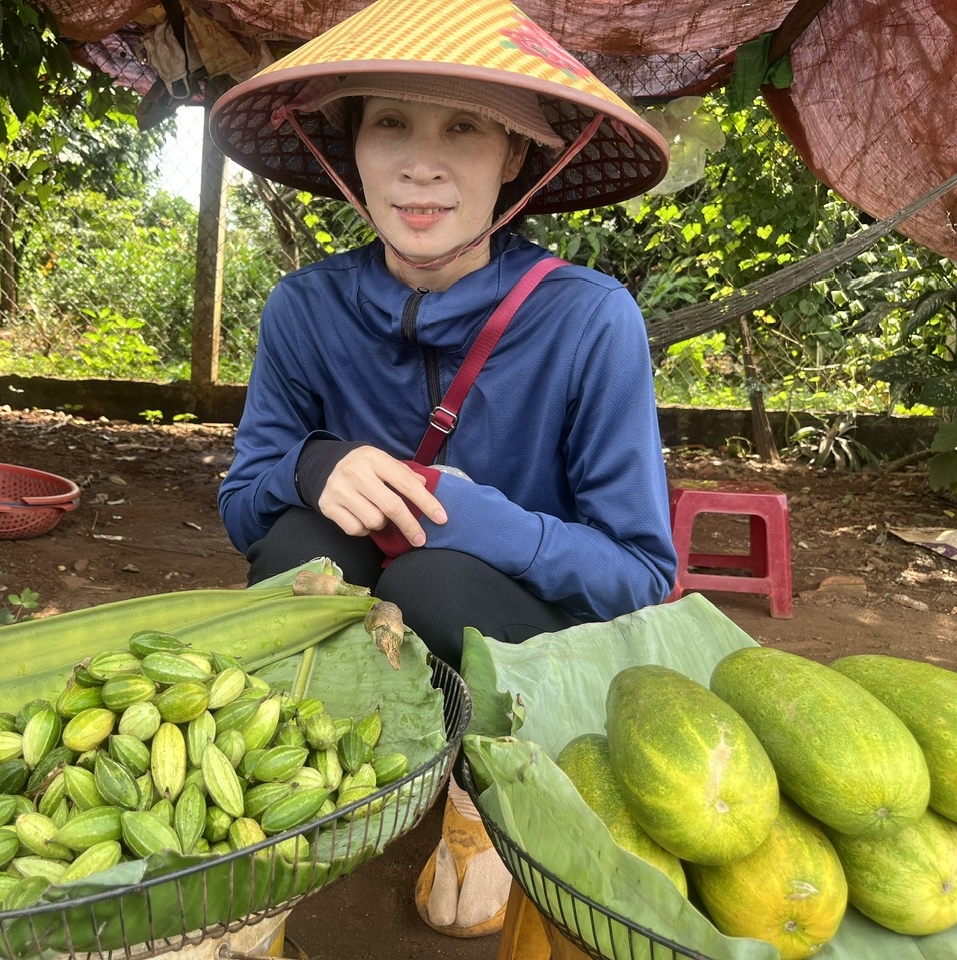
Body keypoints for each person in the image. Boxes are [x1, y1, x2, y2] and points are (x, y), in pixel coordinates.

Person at [208, 0, 677, 938]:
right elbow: (243, 502)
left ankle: (478, 797)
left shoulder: (591, 320)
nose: (421, 163)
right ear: (351, 150)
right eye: (391, 123)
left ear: (516, 156)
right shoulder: (306, 309)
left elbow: (644, 577)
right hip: (358, 611)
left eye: (463, 127)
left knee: (433, 572)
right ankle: (278, 796)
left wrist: (493, 523)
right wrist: (313, 466)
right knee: (301, 544)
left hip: (516, 635)